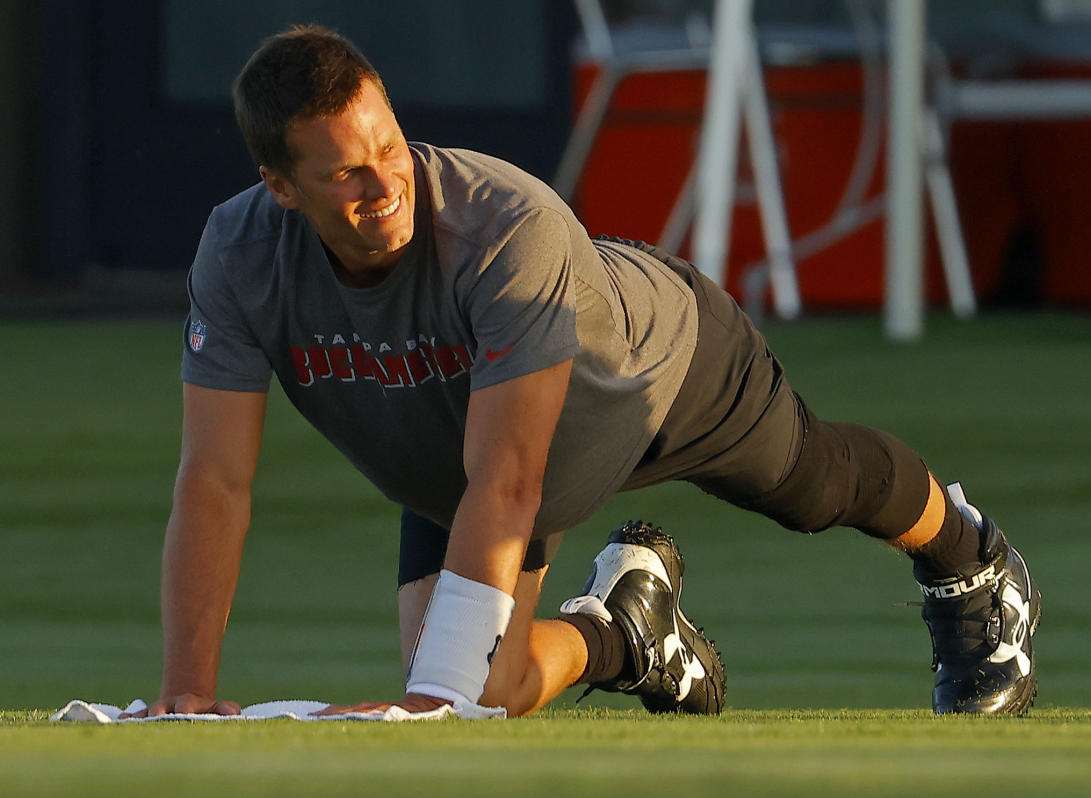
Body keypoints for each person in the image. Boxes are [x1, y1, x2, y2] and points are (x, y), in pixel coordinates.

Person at [127, 24, 1040, 720]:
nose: (385, 185)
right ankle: (624, 632)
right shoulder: (239, 252)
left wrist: (436, 702)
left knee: (812, 484)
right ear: (281, 186)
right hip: (473, 451)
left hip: (657, 374)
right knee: (498, 684)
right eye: (346, 176)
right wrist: (186, 694)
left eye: (390, 148)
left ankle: (970, 559)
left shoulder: (499, 226)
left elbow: (514, 474)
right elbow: (215, 479)